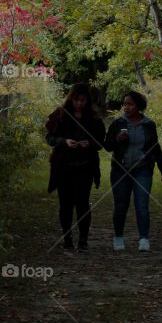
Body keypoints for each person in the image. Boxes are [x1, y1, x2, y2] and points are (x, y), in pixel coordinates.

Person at [104, 90, 162, 252]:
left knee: (142, 204)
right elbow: (107, 146)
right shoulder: (117, 123)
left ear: (139, 106)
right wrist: (117, 139)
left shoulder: (148, 124)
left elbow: (156, 148)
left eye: (130, 104)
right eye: (124, 104)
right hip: (121, 170)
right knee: (121, 205)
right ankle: (118, 238)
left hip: (142, 170)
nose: (126, 107)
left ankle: (144, 239)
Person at [45, 83, 106, 253]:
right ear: (71, 98)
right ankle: (67, 238)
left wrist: (90, 144)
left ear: (87, 101)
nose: (79, 104)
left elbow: (101, 142)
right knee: (65, 204)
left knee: (83, 204)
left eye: (83, 101)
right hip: (64, 166)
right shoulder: (60, 115)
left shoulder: (93, 118)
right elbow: (49, 138)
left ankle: (83, 240)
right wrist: (64, 142)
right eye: (76, 100)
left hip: (85, 166)